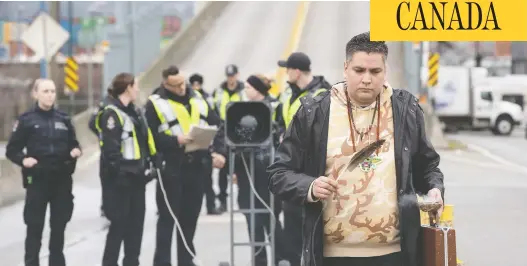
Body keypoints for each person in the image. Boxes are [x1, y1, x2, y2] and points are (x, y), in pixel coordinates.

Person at [268, 31, 445, 266]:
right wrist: (309, 186)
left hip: (395, 255)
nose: (367, 79)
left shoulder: (407, 111)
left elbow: (428, 167)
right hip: (332, 256)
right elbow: (278, 174)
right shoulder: (314, 113)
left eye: (375, 71)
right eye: (359, 70)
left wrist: (435, 189)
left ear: (385, 71)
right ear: (345, 68)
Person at [145, 65, 226, 266]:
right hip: (171, 167)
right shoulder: (155, 103)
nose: (182, 88)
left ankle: (186, 260)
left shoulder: (198, 98)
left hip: (197, 166)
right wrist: (176, 140)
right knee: (167, 219)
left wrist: (217, 151)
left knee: (190, 218)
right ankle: (162, 262)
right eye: (176, 85)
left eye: (183, 83)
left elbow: (218, 125)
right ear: (166, 84)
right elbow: (149, 137)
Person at [215, 74, 291, 266]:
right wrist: (223, 157)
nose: (245, 90)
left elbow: (284, 130)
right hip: (247, 171)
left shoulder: (275, 106)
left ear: (257, 89)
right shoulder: (240, 110)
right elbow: (227, 134)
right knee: (252, 219)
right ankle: (260, 260)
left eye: (248, 87)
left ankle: (281, 259)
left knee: (271, 219)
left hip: (270, 171)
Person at [6, 79, 82, 266]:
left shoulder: (64, 119)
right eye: (46, 91)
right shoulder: (27, 120)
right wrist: (24, 160)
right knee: (34, 229)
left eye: (53, 91)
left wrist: (76, 151)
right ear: (36, 94)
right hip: (38, 181)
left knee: (58, 228)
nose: (50, 95)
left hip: (61, 181)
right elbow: (11, 150)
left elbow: (75, 144)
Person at [275, 51, 332, 265]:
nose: (286, 73)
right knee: (291, 223)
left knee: (314, 225)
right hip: (292, 169)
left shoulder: (323, 94)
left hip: (313, 170)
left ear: (296, 72)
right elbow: (279, 121)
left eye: (287, 69)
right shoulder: (288, 94)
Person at [98, 73, 158, 266]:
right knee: (119, 228)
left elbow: (144, 141)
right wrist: (124, 171)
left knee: (136, 229)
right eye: (136, 86)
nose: (138, 90)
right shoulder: (111, 114)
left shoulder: (136, 112)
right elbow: (110, 151)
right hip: (120, 182)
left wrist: (153, 163)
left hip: (138, 179)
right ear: (127, 88)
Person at [211, 64, 246, 213]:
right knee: (222, 167)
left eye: (233, 76)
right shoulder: (218, 92)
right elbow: (212, 111)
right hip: (222, 132)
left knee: (240, 166)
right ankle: (223, 202)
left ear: (237, 75)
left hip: (239, 131)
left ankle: (241, 201)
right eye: (228, 76)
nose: (231, 79)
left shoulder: (244, 91)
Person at [189, 73, 222, 215]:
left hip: (204, 142)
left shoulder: (205, 99)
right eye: (193, 84)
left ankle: (211, 205)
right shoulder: (187, 100)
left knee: (207, 180)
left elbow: (215, 119)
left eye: (198, 84)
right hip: (189, 142)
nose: (196, 87)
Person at [88, 94, 112, 218]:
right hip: (110, 149)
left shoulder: (104, 102)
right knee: (108, 179)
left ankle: (107, 207)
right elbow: (92, 123)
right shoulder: (106, 104)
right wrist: (104, 135)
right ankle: (108, 208)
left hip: (106, 148)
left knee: (107, 180)